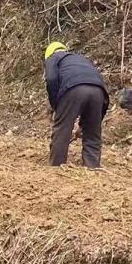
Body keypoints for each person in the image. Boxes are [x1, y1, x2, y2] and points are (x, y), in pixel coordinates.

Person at [44, 41, 108, 169]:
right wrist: (83, 126)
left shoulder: (53, 58)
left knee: (62, 129)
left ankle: (56, 166)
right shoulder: (80, 58)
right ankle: (92, 166)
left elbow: (51, 79)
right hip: (99, 91)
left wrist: (56, 105)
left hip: (72, 88)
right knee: (93, 132)